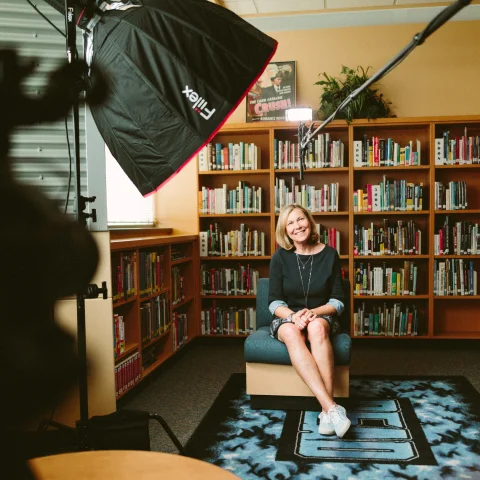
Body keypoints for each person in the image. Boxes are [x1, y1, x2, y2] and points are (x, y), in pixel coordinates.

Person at [268, 204, 351, 438]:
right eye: (290, 223)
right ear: (285, 230)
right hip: (287, 318)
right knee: (293, 332)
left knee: (315, 327)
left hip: (320, 315)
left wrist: (311, 313)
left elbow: (337, 301)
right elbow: (274, 303)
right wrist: (294, 317)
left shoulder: (330, 254)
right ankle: (331, 408)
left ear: (310, 222)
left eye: (300, 219)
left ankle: (326, 412)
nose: (297, 226)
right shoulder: (280, 257)